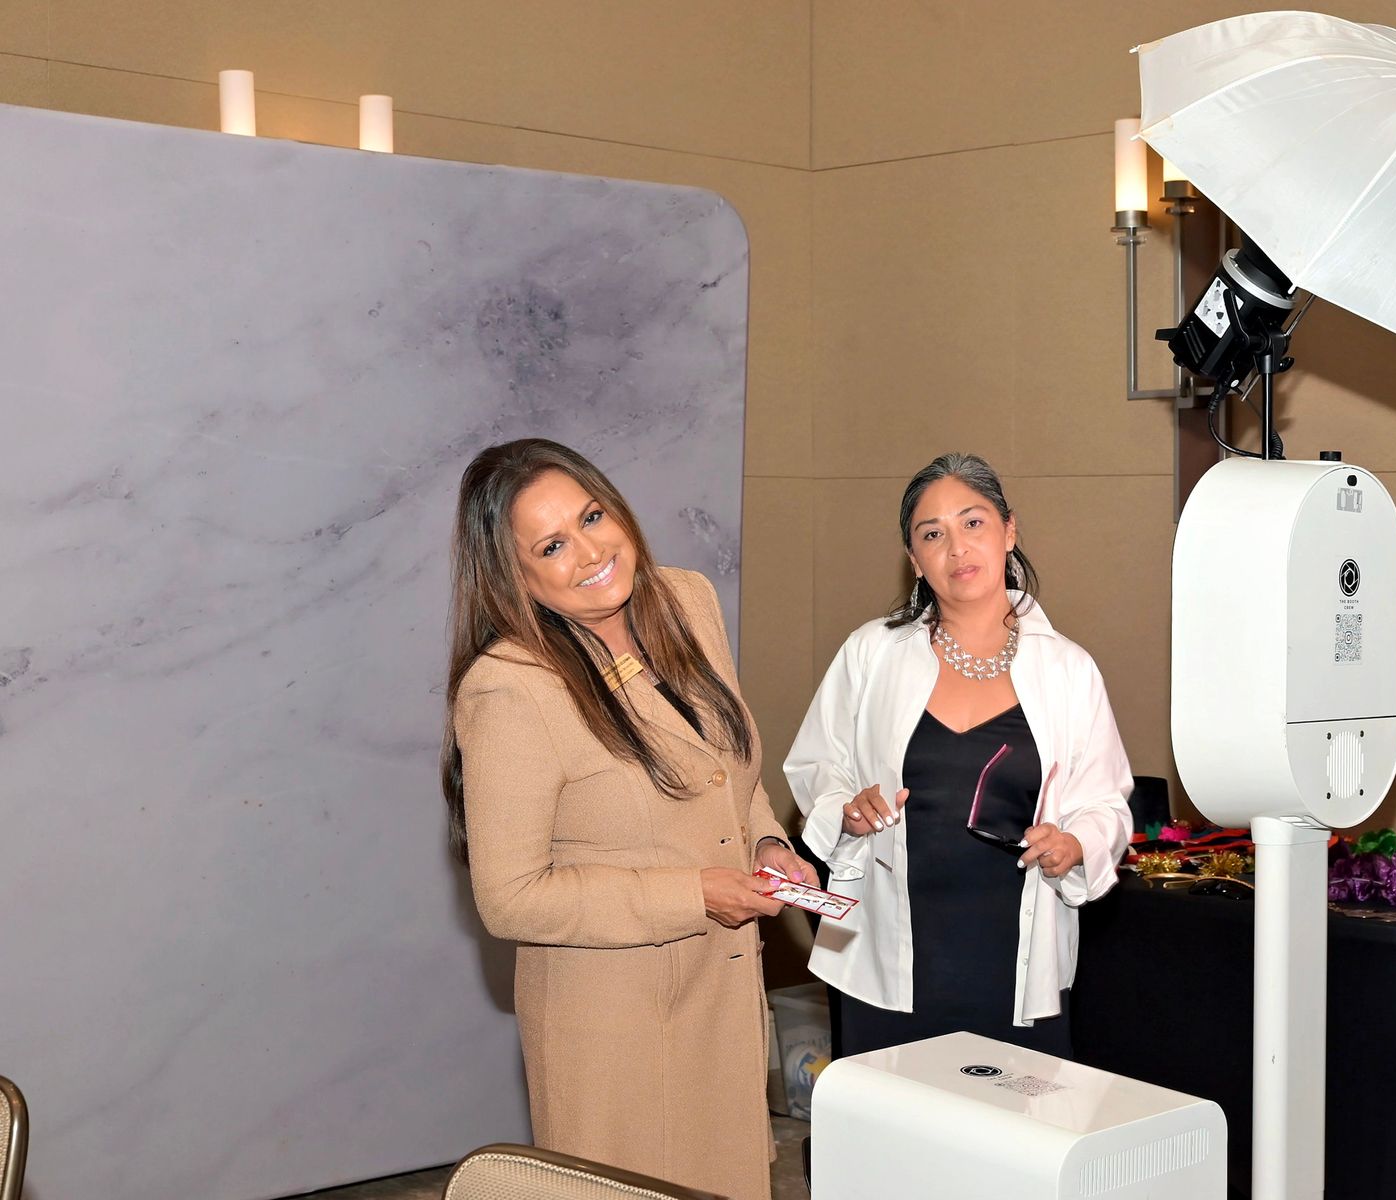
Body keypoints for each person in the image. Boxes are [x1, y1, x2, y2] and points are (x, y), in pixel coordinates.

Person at [440, 438, 812, 1200]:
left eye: (591, 517)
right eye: (551, 546)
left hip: (723, 998)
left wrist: (767, 840)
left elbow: (722, 764)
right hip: (615, 1031)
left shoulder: (686, 602)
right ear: (515, 577)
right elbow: (509, 897)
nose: (589, 552)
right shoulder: (510, 688)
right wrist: (694, 892)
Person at [784, 452, 1133, 1057]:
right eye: (932, 534)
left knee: (1016, 1111)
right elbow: (817, 766)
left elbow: (1106, 802)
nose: (957, 548)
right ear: (914, 559)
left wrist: (1076, 843)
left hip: (1017, 958)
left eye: (973, 523)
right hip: (884, 956)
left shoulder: (1068, 669)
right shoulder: (871, 653)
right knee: (887, 1113)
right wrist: (846, 809)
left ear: (1008, 531)